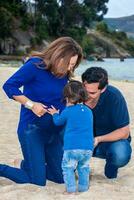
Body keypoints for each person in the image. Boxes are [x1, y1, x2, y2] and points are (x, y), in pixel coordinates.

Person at [1, 37, 83, 186]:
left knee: (61, 177)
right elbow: (9, 86)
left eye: (73, 65)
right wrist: (31, 105)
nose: (70, 69)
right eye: (69, 64)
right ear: (59, 56)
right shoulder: (34, 66)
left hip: (53, 131)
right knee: (37, 181)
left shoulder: (63, 73)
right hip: (32, 130)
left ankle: (27, 165)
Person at [82, 67, 132, 179]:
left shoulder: (114, 97)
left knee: (120, 154)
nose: (87, 95)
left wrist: (98, 139)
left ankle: (111, 166)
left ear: (103, 89)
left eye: (92, 93)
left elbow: (124, 133)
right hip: (81, 140)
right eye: (85, 90)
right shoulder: (77, 94)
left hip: (107, 142)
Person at [48, 80, 94, 194]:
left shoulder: (68, 111)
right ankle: (83, 188)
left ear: (67, 97)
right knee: (83, 168)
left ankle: (70, 190)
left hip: (72, 147)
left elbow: (58, 122)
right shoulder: (89, 111)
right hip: (88, 147)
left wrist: (54, 113)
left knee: (68, 168)